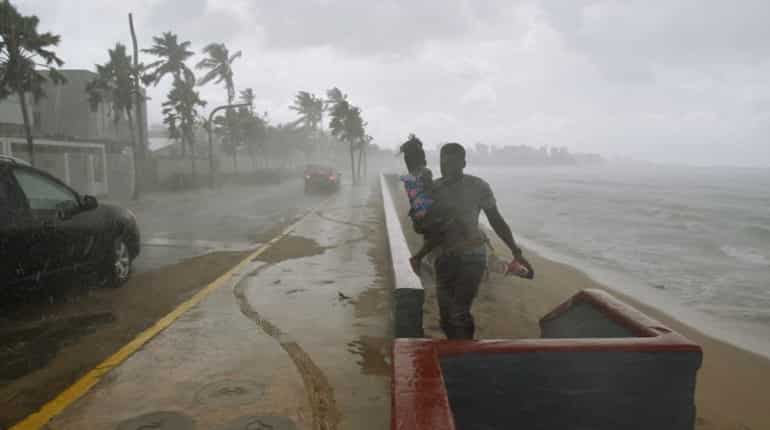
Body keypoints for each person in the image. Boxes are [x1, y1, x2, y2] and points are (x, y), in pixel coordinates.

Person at [428, 142, 534, 339]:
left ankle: (466, 354)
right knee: (445, 318)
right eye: (444, 162)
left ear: (463, 164)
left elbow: (496, 220)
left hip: (472, 256)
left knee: (459, 311)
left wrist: (516, 252)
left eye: (453, 163)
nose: (447, 167)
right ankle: (457, 350)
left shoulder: (478, 186)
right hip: (444, 257)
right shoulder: (434, 188)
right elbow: (424, 225)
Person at [398, 135, 451, 274]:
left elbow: (420, 196)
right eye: (423, 154)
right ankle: (417, 258)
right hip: (424, 216)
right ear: (421, 157)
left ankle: (427, 259)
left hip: (418, 215)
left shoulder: (409, 175)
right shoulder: (425, 172)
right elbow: (430, 194)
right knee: (444, 229)